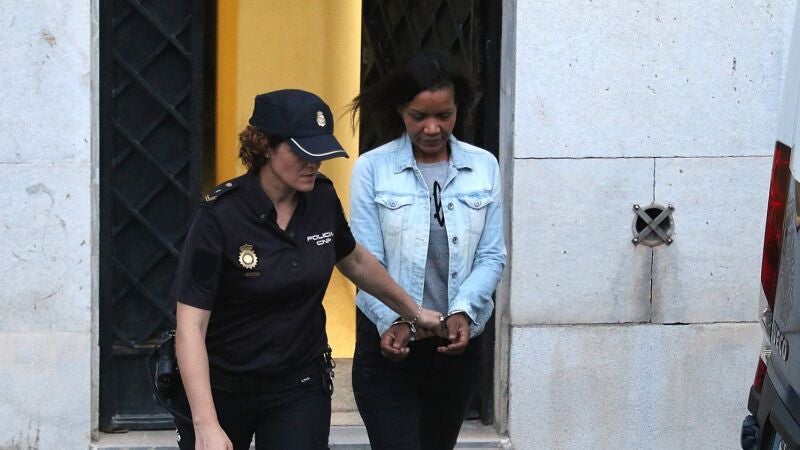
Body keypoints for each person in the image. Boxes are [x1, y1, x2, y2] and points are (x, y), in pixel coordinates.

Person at [171, 89, 444, 450]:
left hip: (298, 383)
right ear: (265, 146)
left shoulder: (321, 198)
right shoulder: (220, 215)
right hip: (223, 385)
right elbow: (190, 325)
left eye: (321, 153)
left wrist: (414, 311)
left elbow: (355, 260)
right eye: (302, 153)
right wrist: (206, 424)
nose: (314, 164)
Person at [348, 49, 507, 450]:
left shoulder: (484, 166)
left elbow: (492, 256)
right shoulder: (372, 168)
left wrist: (464, 311)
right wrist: (395, 319)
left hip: (457, 349)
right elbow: (364, 262)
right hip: (390, 345)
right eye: (419, 116)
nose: (432, 128)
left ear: (459, 110)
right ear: (401, 110)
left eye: (444, 115)